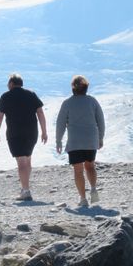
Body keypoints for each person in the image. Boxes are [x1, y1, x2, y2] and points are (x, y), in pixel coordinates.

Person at [0, 73, 47, 201]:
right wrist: (44, 131)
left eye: (8, 83)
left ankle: (26, 191)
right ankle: (25, 188)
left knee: (21, 162)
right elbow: (40, 112)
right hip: (31, 132)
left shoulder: (6, 96)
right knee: (27, 160)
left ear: (11, 83)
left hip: (15, 133)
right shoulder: (31, 95)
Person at [55, 75, 105, 209]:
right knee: (90, 166)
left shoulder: (67, 103)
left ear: (73, 88)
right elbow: (100, 120)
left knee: (78, 171)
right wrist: (100, 138)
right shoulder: (92, 101)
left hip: (75, 141)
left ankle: (83, 199)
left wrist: (58, 140)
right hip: (90, 139)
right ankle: (93, 189)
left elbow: (60, 123)